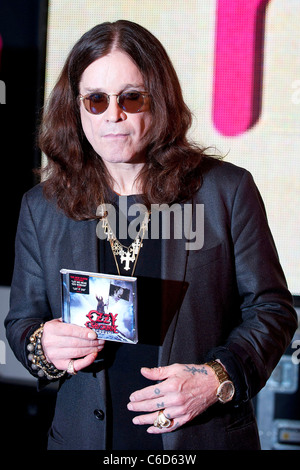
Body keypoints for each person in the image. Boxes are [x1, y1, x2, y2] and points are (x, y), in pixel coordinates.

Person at [5, 20, 297, 451]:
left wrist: (216, 378)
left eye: (131, 98)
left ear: (159, 100)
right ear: (76, 107)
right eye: (96, 100)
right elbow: (22, 323)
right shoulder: (42, 206)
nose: (113, 116)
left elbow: (272, 310)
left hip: (201, 439)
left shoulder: (225, 191)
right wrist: (41, 344)